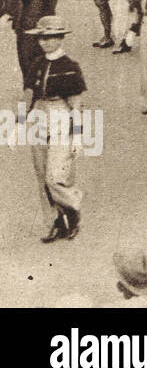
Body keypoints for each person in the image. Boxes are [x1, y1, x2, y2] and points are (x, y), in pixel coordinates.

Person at [24, 15, 86, 243]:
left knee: (55, 176)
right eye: (43, 38)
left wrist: (78, 136)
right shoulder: (36, 64)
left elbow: (76, 104)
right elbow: (28, 93)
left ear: (61, 38)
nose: (46, 43)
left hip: (61, 114)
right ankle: (55, 223)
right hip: (38, 116)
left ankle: (73, 206)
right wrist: (19, 121)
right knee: (42, 176)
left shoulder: (70, 67)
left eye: (51, 38)